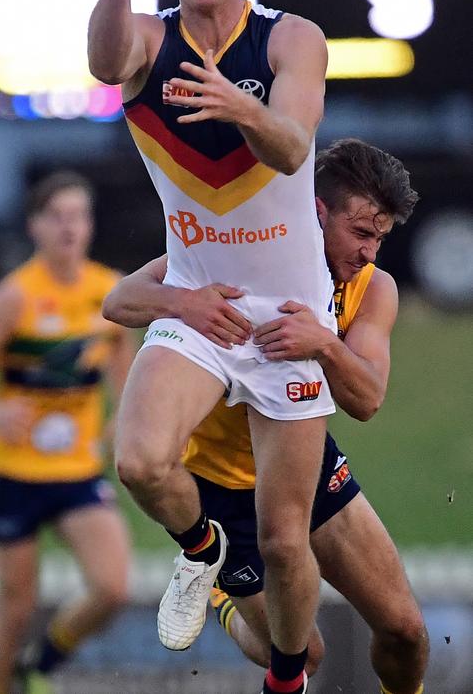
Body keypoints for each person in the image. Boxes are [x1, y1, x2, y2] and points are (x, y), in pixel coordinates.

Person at [88, 0, 334, 693]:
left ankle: (288, 680)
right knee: (139, 462)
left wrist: (238, 106)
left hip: (289, 319)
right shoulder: (150, 44)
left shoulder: (292, 39)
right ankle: (202, 553)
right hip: (200, 302)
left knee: (288, 542)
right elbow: (101, 60)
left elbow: (295, 149)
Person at [102, 139, 428, 694]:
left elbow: (368, 399)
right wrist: (185, 303)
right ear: (317, 213)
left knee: (405, 633)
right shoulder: (246, 247)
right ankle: (221, 590)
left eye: (380, 238)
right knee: (306, 654)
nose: (371, 252)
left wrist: (324, 344)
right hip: (220, 490)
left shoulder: (374, 290)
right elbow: (120, 300)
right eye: (362, 232)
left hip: (305, 467)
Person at [0, 171, 137, 694]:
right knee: (15, 608)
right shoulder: (14, 297)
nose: (69, 228)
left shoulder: (111, 292)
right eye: (58, 217)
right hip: (15, 473)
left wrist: (122, 419)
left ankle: (44, 661)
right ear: (35, 226)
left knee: (113, 588)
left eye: (79, 216)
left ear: (91, 225)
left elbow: (128, 372)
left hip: (76, 471)